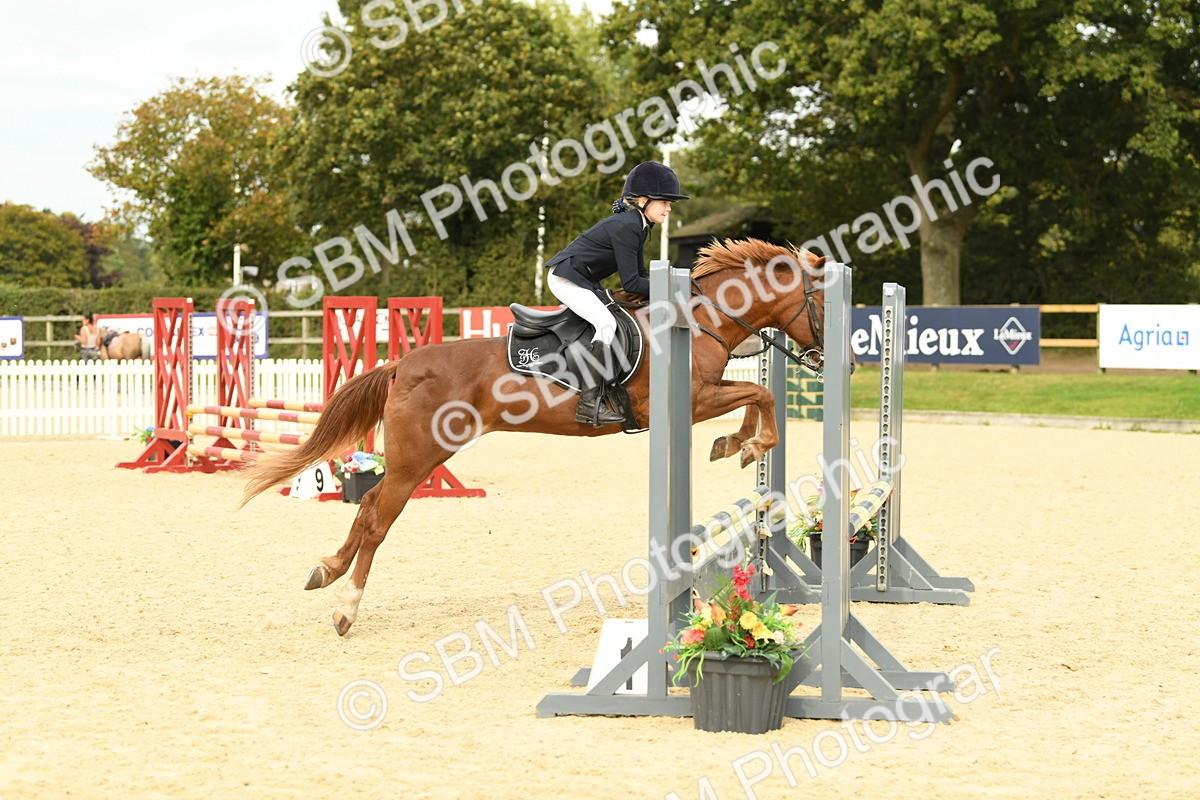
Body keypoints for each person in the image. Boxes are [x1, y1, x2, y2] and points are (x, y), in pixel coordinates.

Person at [545, 161, 688, 425]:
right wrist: (671, 289)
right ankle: (589, 403)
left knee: (615, 317)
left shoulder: (640, 225)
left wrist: (669, 284)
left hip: (583, 280)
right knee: (606, 323)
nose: (669, 208)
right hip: (565, 279)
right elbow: (632, 284)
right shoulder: (628, 226)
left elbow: (641, 275)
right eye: (664, 202)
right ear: (643, 201)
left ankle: (608, 385)